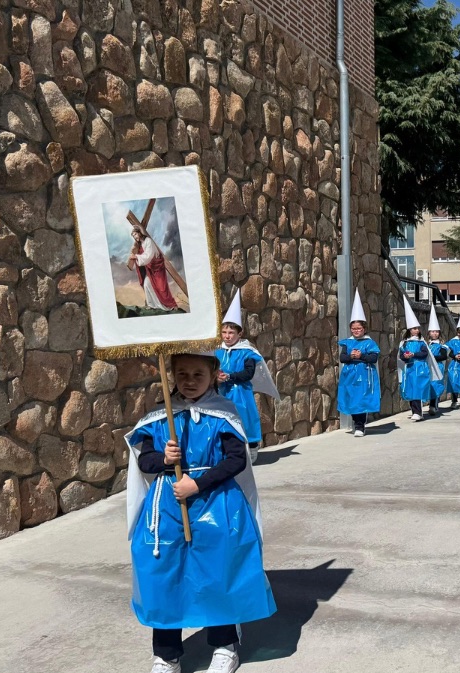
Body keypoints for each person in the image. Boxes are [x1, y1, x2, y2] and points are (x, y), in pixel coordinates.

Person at [125, 352, 275, 673]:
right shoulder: (160, 415)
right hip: (166, 509)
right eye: (182, 374)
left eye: (198, 374)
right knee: (163, 573)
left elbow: (236, 460)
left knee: (217, 569)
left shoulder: (223, 413)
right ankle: (166, 654)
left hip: (217, 504)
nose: (189, 381)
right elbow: (144, 461)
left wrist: (198, 484)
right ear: (172, 376)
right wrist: (165, 459)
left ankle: (224, 644)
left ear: (214, 374)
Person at [215, 290, 280, 464]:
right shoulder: (217, 351)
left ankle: (251, 447)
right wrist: (216, 377)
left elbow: (248, 373)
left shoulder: (247, 352)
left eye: (231, 333)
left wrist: (229, 376)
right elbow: (211, 368)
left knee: (246, 419)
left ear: (239, 333)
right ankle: (228, 452)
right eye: (224, 332)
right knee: (224, 421)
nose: (227, 336)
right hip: (223, 393)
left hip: (241, 394)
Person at [338, 291, 381, 438]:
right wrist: (351, 356)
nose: (356, 331)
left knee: (361, 400)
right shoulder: (347, 342)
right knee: (351, 398)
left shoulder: (369, 342)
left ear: (364, 328)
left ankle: (360, 426)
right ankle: (356, 423)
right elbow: (342, 358)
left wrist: (361, 355)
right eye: (354, 328)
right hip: (349, 375)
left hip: (364, 375)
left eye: (359, 328)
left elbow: (373, 357)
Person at [397, 296, 441, 421]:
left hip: (420, 368)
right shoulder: (404, 343)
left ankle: (419, 412)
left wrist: (414, 355)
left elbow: (424, 354)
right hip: (410, 369)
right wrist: (405, 357)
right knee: (411, 390)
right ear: (409, 330)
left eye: (417, 328)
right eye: (413, 328)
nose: (416, 330)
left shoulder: (422, 343)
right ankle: (414, 410)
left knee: (417, 390)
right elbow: (401, 355)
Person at [127, 222, 181, 311]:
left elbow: (149, 255)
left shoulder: (148, 241)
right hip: (150, 269)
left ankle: (170, 305)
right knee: (146, 284)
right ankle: (152, 304)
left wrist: (136, 256)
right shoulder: (140, 245)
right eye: (133, 236)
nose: (135, 237)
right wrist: (135, 255)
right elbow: (142, 258)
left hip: (157, 268)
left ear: (139, 232)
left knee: (161, 288)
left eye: (135, 234)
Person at [426, 312, 448, 418]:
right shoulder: (426, 344)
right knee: (429, 386)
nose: (434, 334)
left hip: (438, 367)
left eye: (436, 332)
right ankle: (432, 403)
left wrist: (433, 357)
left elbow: (444, 356)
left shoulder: (442, 345)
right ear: (429, 333)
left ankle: (433, 406)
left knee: (435, 385)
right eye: (432, 332)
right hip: (428, 368)